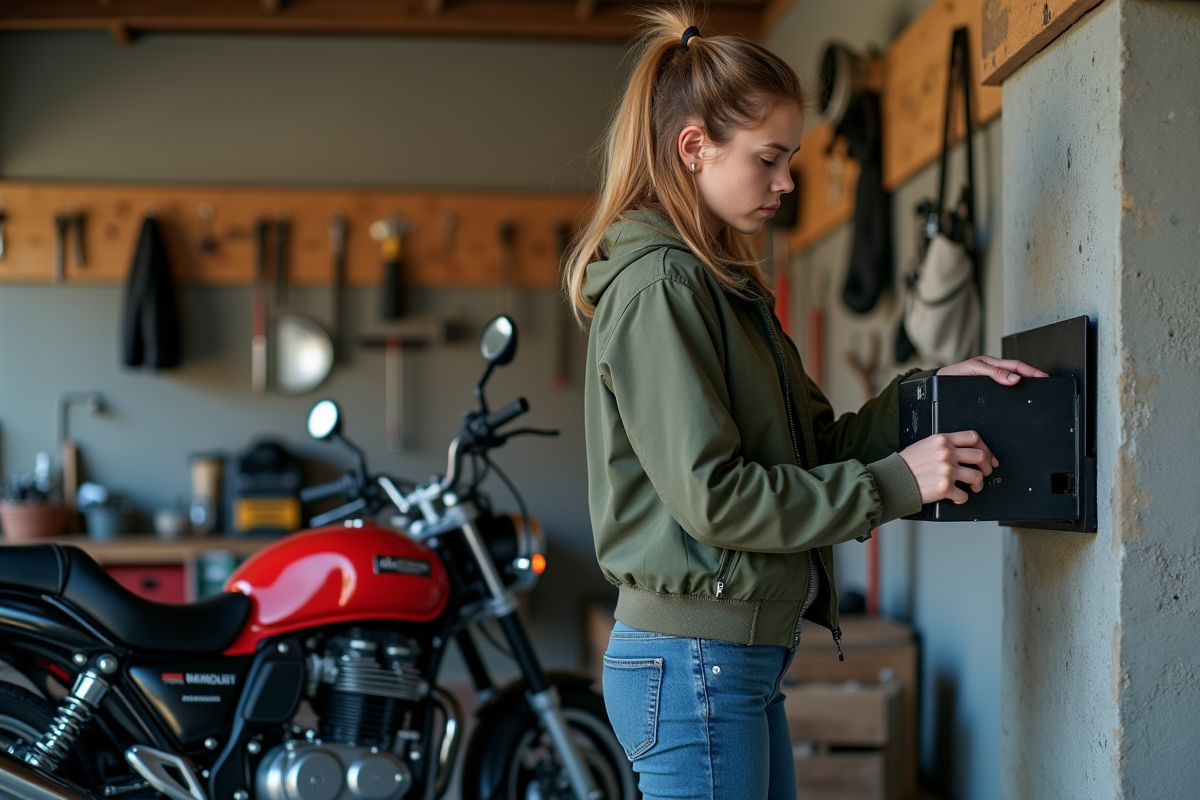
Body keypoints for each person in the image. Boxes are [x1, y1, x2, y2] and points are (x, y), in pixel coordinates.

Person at [562, 7, 1047, 800]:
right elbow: (715, 497)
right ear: (694, 149)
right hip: (695, 663)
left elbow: (812, 445)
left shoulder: (721, 285)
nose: (787, 181)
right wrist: (899, 483)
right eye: (770, 158)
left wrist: (931, 394)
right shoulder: (662, 289)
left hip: (731, 658)